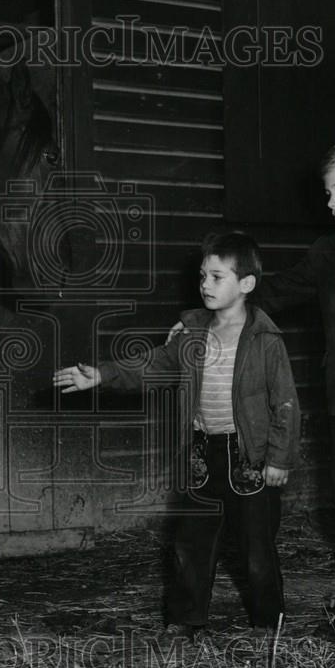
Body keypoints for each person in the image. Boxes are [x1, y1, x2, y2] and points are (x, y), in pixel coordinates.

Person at [168, 135, 335, 639]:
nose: (329, 203)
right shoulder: (326, 253)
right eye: (327, 193)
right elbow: (268, 291)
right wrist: (200, 319)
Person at [54, 232, 302, 636]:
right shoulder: (191, 335)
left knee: (257, 546)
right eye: (203, 275)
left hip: (250, 457)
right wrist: (101, 374)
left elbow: (286, 403)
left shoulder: (265, 340)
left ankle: (266, 624)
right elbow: (151, 365)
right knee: (192, 540)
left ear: (246, 284)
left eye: (217, 276)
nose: (205, 284)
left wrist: (279, 458)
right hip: (202, 452)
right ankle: (187, 620)